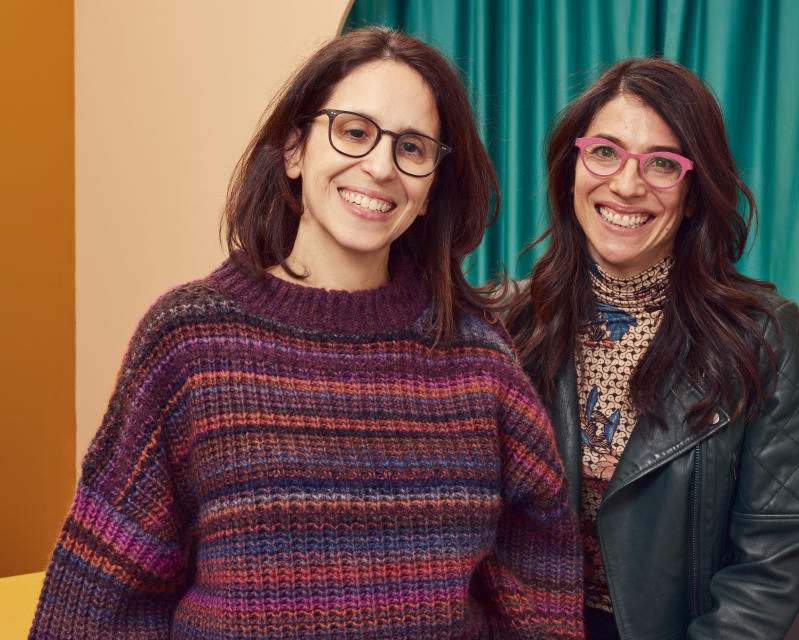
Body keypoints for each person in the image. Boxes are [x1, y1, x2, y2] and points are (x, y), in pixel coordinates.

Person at [30, 27, 583, 640]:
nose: (379, 167)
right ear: (294, 149)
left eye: (413, 148)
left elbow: (538, 579)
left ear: (430, 191)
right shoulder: (189, 342)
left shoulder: (477, 357)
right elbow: (100, 597)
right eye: (353, 131)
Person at [505, 57, 799, 639]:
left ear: (695, 188)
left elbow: (771, 561)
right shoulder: (507, 321)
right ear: (571, 166)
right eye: (605, 152)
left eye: (661, 164)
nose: (627, 184)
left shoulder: (764, 336)